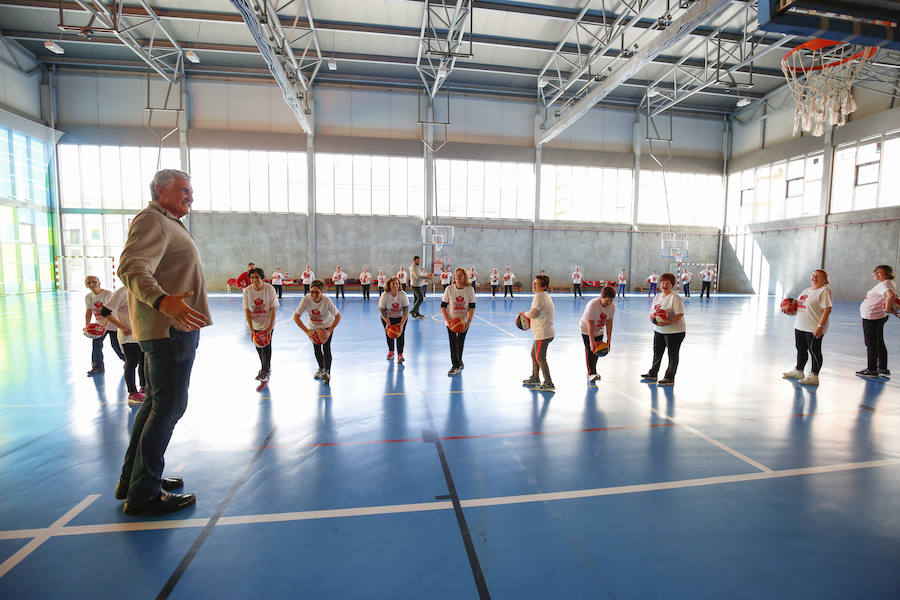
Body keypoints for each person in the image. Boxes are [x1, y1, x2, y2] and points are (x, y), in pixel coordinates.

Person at [115, 168, 210, 516]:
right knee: (169, 407)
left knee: (155, 404)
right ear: (161, 190)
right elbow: (132, 267)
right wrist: (162, 300)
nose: (190, 196)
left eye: (191, 189)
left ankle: (134, 480)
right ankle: (144, 493)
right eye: (184, 189)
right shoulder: (151, 220)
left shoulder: (166, 221)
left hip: (173, 328)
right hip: (169, 330)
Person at [782, 269, 832, 386]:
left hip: (813, 327)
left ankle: (814, 376)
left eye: (818, 276)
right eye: (813, 275)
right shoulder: (806, 290)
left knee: (814, 351)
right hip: (800, 325)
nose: (814, 278)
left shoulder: (824, 291)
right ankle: (799, 371)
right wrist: (789, 309)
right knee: (801, 349)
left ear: (824, 279)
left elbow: (827, 309)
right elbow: (801, 306)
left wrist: (820, 326)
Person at [100, 286, 146, 405]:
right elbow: (105, 311)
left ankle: (144, 388)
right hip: (129, 336)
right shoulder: (121, 293)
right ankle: (132, 392)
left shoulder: (142, 290)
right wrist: (120, 326)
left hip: (143, 334)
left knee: (144, 362)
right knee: (131, 363)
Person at [642, 272, 685, 386]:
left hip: (675, 332)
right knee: (657, 352)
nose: (665, 285)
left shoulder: (675, 298)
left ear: (672, 285)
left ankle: (669, 378)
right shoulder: (657, 297)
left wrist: (668, 321)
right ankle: (653, 373)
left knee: (672, 354)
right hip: (659, 330)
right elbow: (652, 313)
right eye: (663, 283)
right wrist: (654, 320)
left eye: (668, 283)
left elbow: (679, 314)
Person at [294, 279, 341, 384]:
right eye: (312, 292)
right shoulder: (306, 299)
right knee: (316, 348)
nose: (314, 294)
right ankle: (321, 368)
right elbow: (296, 317)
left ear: (322, 292)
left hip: (326, 326)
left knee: (326, 347)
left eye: (317, 292)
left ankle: (327, 371)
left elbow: (338, 316)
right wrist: (307, 331)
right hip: (313, 327)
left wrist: (329, 331)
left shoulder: (327, 301)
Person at [856, 265, 898, 378]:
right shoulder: (889, 283)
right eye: (875, 272)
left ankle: (872, 369)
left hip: (872, 318)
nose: (876, 274)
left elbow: (891, 295)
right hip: (878, 316)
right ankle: (882, 368)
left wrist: (888, 309)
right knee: (879, 343)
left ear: (888, 273)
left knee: (871, 344)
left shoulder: (885, 284)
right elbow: (892, 297)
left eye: (879, 272)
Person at [243, 268, 278, 383]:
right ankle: (265, 366)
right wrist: (251, 329)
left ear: (261, 277)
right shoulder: (247, 291)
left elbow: (273, 309)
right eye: (252, 277)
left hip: (267, 323)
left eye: (257, 277)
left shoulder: (269, 289)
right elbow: (247, 310)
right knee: (258, 346)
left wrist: (269, 328)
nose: (254, 280)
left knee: (266, 347)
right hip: (255, 324)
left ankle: (264, 371)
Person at [520, 274, 555, 391]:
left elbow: (534, 313)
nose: (533, 285)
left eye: (536, 283)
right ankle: (535, 377)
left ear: (543, 286)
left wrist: (524, 314)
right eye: (533, 283)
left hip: (543, 333)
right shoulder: (543, 295)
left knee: (540, 357)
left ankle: (549, 382)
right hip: (543, 332)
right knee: (533, 354)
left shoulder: (539, 296)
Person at [84, 275, 124, 376]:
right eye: (89, 283)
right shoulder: (88, 297)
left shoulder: (108, 294)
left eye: (94, 282)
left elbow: (109, 311)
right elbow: (88, 312)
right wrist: (87, 326)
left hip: (113, 323)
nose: (92, 284)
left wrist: (106, 325)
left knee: (116, 346)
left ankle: (127, 361)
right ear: (86, 284)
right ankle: (97, 367)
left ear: (99, 282)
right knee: (96, 345)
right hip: (100, 325)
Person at [442, 268, 476, 375]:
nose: (457, 276)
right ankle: (455, 366)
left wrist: (468, 321)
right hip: (451, 321)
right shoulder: (449, 289)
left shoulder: (469, 289)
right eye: (456, 275)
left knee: (460, 343)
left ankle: (459, 361)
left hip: (463, 321)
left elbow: (472, 307)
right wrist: (448, 320)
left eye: (460, 275)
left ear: (465, 277)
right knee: (453, 344)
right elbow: (443, 306)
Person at [580, 286, 616, 382]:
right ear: (602, 297)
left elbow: (609, 324)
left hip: (599, 329)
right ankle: (591, 373)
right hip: (586, 329)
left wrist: (609, 340)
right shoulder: (593, 305)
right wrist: (591, 341)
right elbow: (590, 324)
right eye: (607, 300)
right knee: (590, 350)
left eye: (611, 301)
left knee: (597, 351)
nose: (609, 303)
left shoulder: (612, 307)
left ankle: (593, 371)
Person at [379, 276, 409, 363]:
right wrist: (388, 323)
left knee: (400, 334)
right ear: (389, 285)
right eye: (393, 284)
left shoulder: (403, 295)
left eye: (397, 283)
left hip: (400, 317)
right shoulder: (385, 295)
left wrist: (402, 324)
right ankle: (391, 351)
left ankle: (400, 354)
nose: (395, 285)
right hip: (388, 317)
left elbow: (406, 310)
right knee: (389, 334)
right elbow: (382, 310)